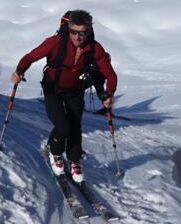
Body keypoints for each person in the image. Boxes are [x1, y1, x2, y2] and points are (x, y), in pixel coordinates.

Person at [11, 10, 117, 184]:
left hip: (75, 91)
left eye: (82, 32)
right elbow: (31, 56)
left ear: (89, 31)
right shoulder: (55, 42)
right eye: (74, 32)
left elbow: (110, 75)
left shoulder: (95, 48)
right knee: (63, 126)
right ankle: (55, 152)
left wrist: (109, 94)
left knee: (75, 125)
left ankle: (74, 160)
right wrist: (19, 70)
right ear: (68, 29)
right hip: (53, 89)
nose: (78, 37)